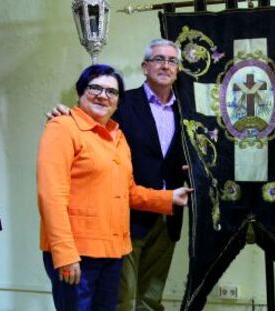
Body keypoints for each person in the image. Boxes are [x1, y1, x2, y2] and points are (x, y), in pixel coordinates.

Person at [46, 39, 186, 310]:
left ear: (178, 69)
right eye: (158, 59)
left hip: (167, 216)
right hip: (123, 222)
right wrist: (61, 115)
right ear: (144, 66)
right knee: (121, 301)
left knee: (148, 300)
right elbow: (53, 193)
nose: (165, 65)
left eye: (171, 61)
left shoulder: (188, 110)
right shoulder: (120, 103)